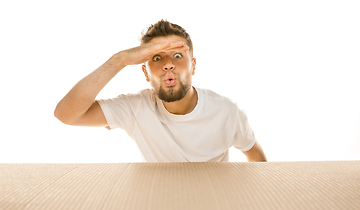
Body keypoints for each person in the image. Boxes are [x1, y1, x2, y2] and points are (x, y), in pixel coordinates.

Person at [54, 19, 267, 162]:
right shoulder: (135, 108)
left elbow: (256, 157)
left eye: (177, 55)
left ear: (193, 65)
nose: (167, 64)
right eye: (157, 57)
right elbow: (66, 114)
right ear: (146, 73)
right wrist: (119, 60)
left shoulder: (226, 111)